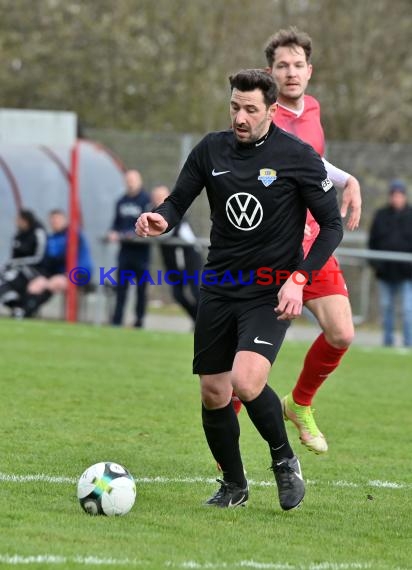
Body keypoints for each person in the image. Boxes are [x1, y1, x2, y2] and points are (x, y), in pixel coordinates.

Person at [136, 69, 343, 510]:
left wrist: (300, 277)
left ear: (272, 110)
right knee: (214, 392)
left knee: (246, 381)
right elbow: (177, 201)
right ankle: (234, 485)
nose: (241, 117)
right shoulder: (211, 149)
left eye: (250, 109)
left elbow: (332, 226)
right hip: (219, 284)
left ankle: (285, 461)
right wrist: (161, 218)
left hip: (270, 290)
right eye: (235, 107)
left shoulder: (297, 156)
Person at [250, 26, 362, 454]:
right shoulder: (261, 118)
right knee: (247, 365)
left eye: (298, 65)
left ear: (309, 71)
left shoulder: (312, 110)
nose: (291, 72)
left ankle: (299, 403)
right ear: (269, 71)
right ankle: (227, 460)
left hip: (313, 243)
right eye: (282, 65)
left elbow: (311, 160)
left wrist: (347, 177)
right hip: (269, 248)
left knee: (341, 333)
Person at [22, 209, 93, 317]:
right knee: (36, 284)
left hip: (80, 273)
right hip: (60, 274)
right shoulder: (52, 238)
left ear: (65, 220)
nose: (55, 222)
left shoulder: (74, 234)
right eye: (52, 220)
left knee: (54, 283)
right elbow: (48, 262)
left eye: (57, 219)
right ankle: (25, 310)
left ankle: (28, 311)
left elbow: (59, 254)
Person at [368, 179, 412, 347]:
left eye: (399, 195)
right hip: (385, 273)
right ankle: (388, 342)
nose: (396, 198)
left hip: (407, 273)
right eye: (394, 195)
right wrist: (376, 264)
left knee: (408, 310)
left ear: (404, 196)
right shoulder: (381, 215)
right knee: (386, 309)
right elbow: (372, 241)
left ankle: (408, 344)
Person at [150, 185, 203, 324]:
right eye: (155, 197)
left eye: (161, 197)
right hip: (173, 264)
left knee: (196, 293)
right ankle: (198, 322)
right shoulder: (152, 213)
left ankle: (205, 323)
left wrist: (152, 230)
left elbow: (165, 234)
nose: (158, 201)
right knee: (178, 295)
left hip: (190, 260)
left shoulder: (176, 214)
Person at [107, 169, 151, 328]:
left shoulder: (146, 201)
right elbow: (116, 223)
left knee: (141, 289)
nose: (130, 183)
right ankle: (117, 320)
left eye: (133, 180)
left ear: (139, 181)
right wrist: (113, 232)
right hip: (125, 253)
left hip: (141, 253)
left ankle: (139, 320)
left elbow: (148, 226)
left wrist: (130, 234)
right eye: (128, 180)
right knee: (121, 288)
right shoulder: (121, 201)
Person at [0, 209, 47, 317]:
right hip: (17, 267)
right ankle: (14, 305)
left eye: (19, 219)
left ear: (26, 220)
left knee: (11, 277)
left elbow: (39, 257)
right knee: (3, 275)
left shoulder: (38, 233)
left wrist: (15, 263)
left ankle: (22, 308)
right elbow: (13, 255)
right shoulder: (18, 235)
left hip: (34, 270)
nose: (16, 222)